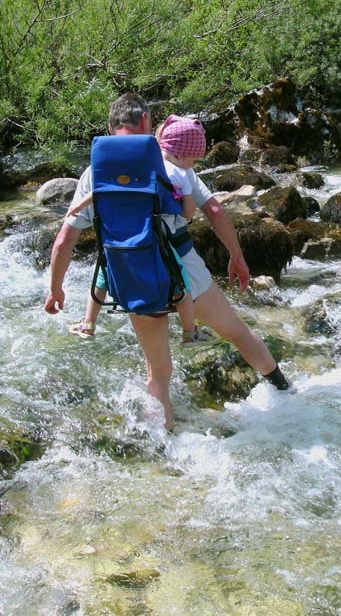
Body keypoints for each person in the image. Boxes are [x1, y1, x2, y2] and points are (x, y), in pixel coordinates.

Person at [44, 92, 291, 432]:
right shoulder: (169, 165)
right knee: (238, 333)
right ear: (146, 123)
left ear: (109, 126)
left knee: (158, 373)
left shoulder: (94, 173)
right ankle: (285, 391)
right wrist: (237, 257)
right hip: (186, 274)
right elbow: (215, 211)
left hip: (134, 275)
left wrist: (56, 288)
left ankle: (168, 448)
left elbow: (63, 240)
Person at [65, 134, 213, 349]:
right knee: (183, 283)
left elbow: (98, 194)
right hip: (151, 240)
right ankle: (190, 332)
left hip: (114, 243)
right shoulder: (162, 177)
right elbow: (186, 214)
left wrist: (78, 206)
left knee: (102, 276)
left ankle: (88, 323)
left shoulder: (108, 181)